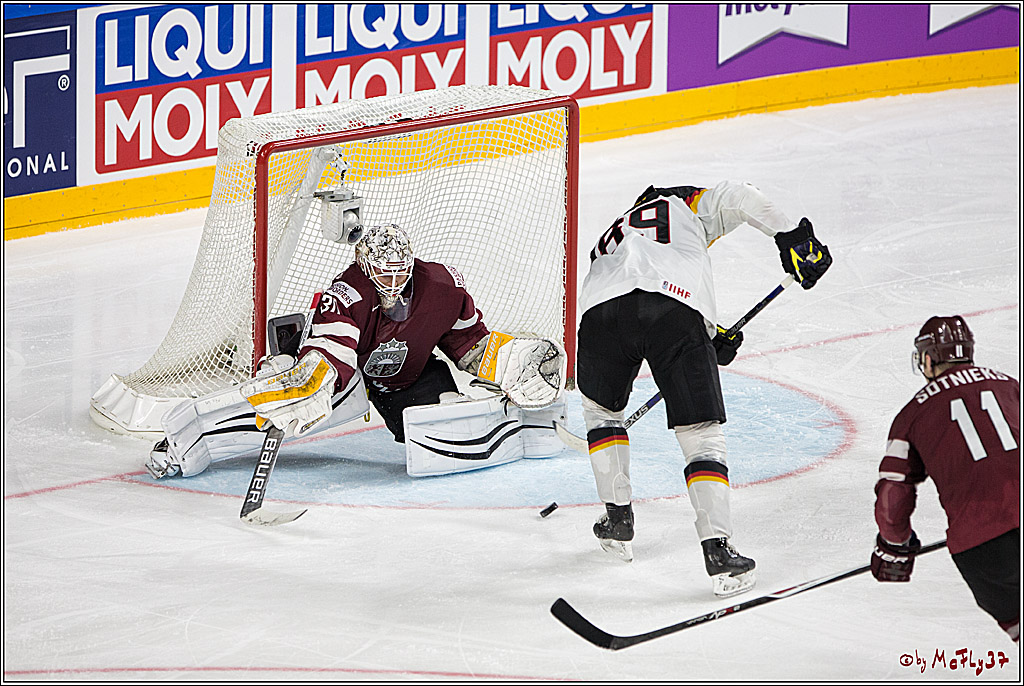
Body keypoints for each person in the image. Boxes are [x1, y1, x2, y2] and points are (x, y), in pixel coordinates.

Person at [146, 223, 568, 480]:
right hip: (356, 377)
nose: (394, 282)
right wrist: (307, 381)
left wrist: (512, 360)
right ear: (366, 268)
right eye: (384, 274)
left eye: (401, 272)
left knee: (452, 425)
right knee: (291, 404)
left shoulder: (442, 286)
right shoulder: (348, 293)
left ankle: (528, 430)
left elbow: (469, 343)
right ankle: (184, 441)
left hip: (416, 374)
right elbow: (333, 354)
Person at [575, 181, 832, 597]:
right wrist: (794, 237)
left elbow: (634, 290)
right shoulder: (685, 205)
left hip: (600, 314)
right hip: (674, 310)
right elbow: (739, 194)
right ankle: (719, 550)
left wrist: (706, 339)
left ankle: (617, 519)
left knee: (602, 415)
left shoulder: (615, 231)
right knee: (701, 435)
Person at [871, 315, 1019, 643]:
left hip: (983, 547)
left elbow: (893, 498)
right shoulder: (1010, 386)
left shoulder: (912, 414)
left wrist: (894, 548)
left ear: (927, 358)